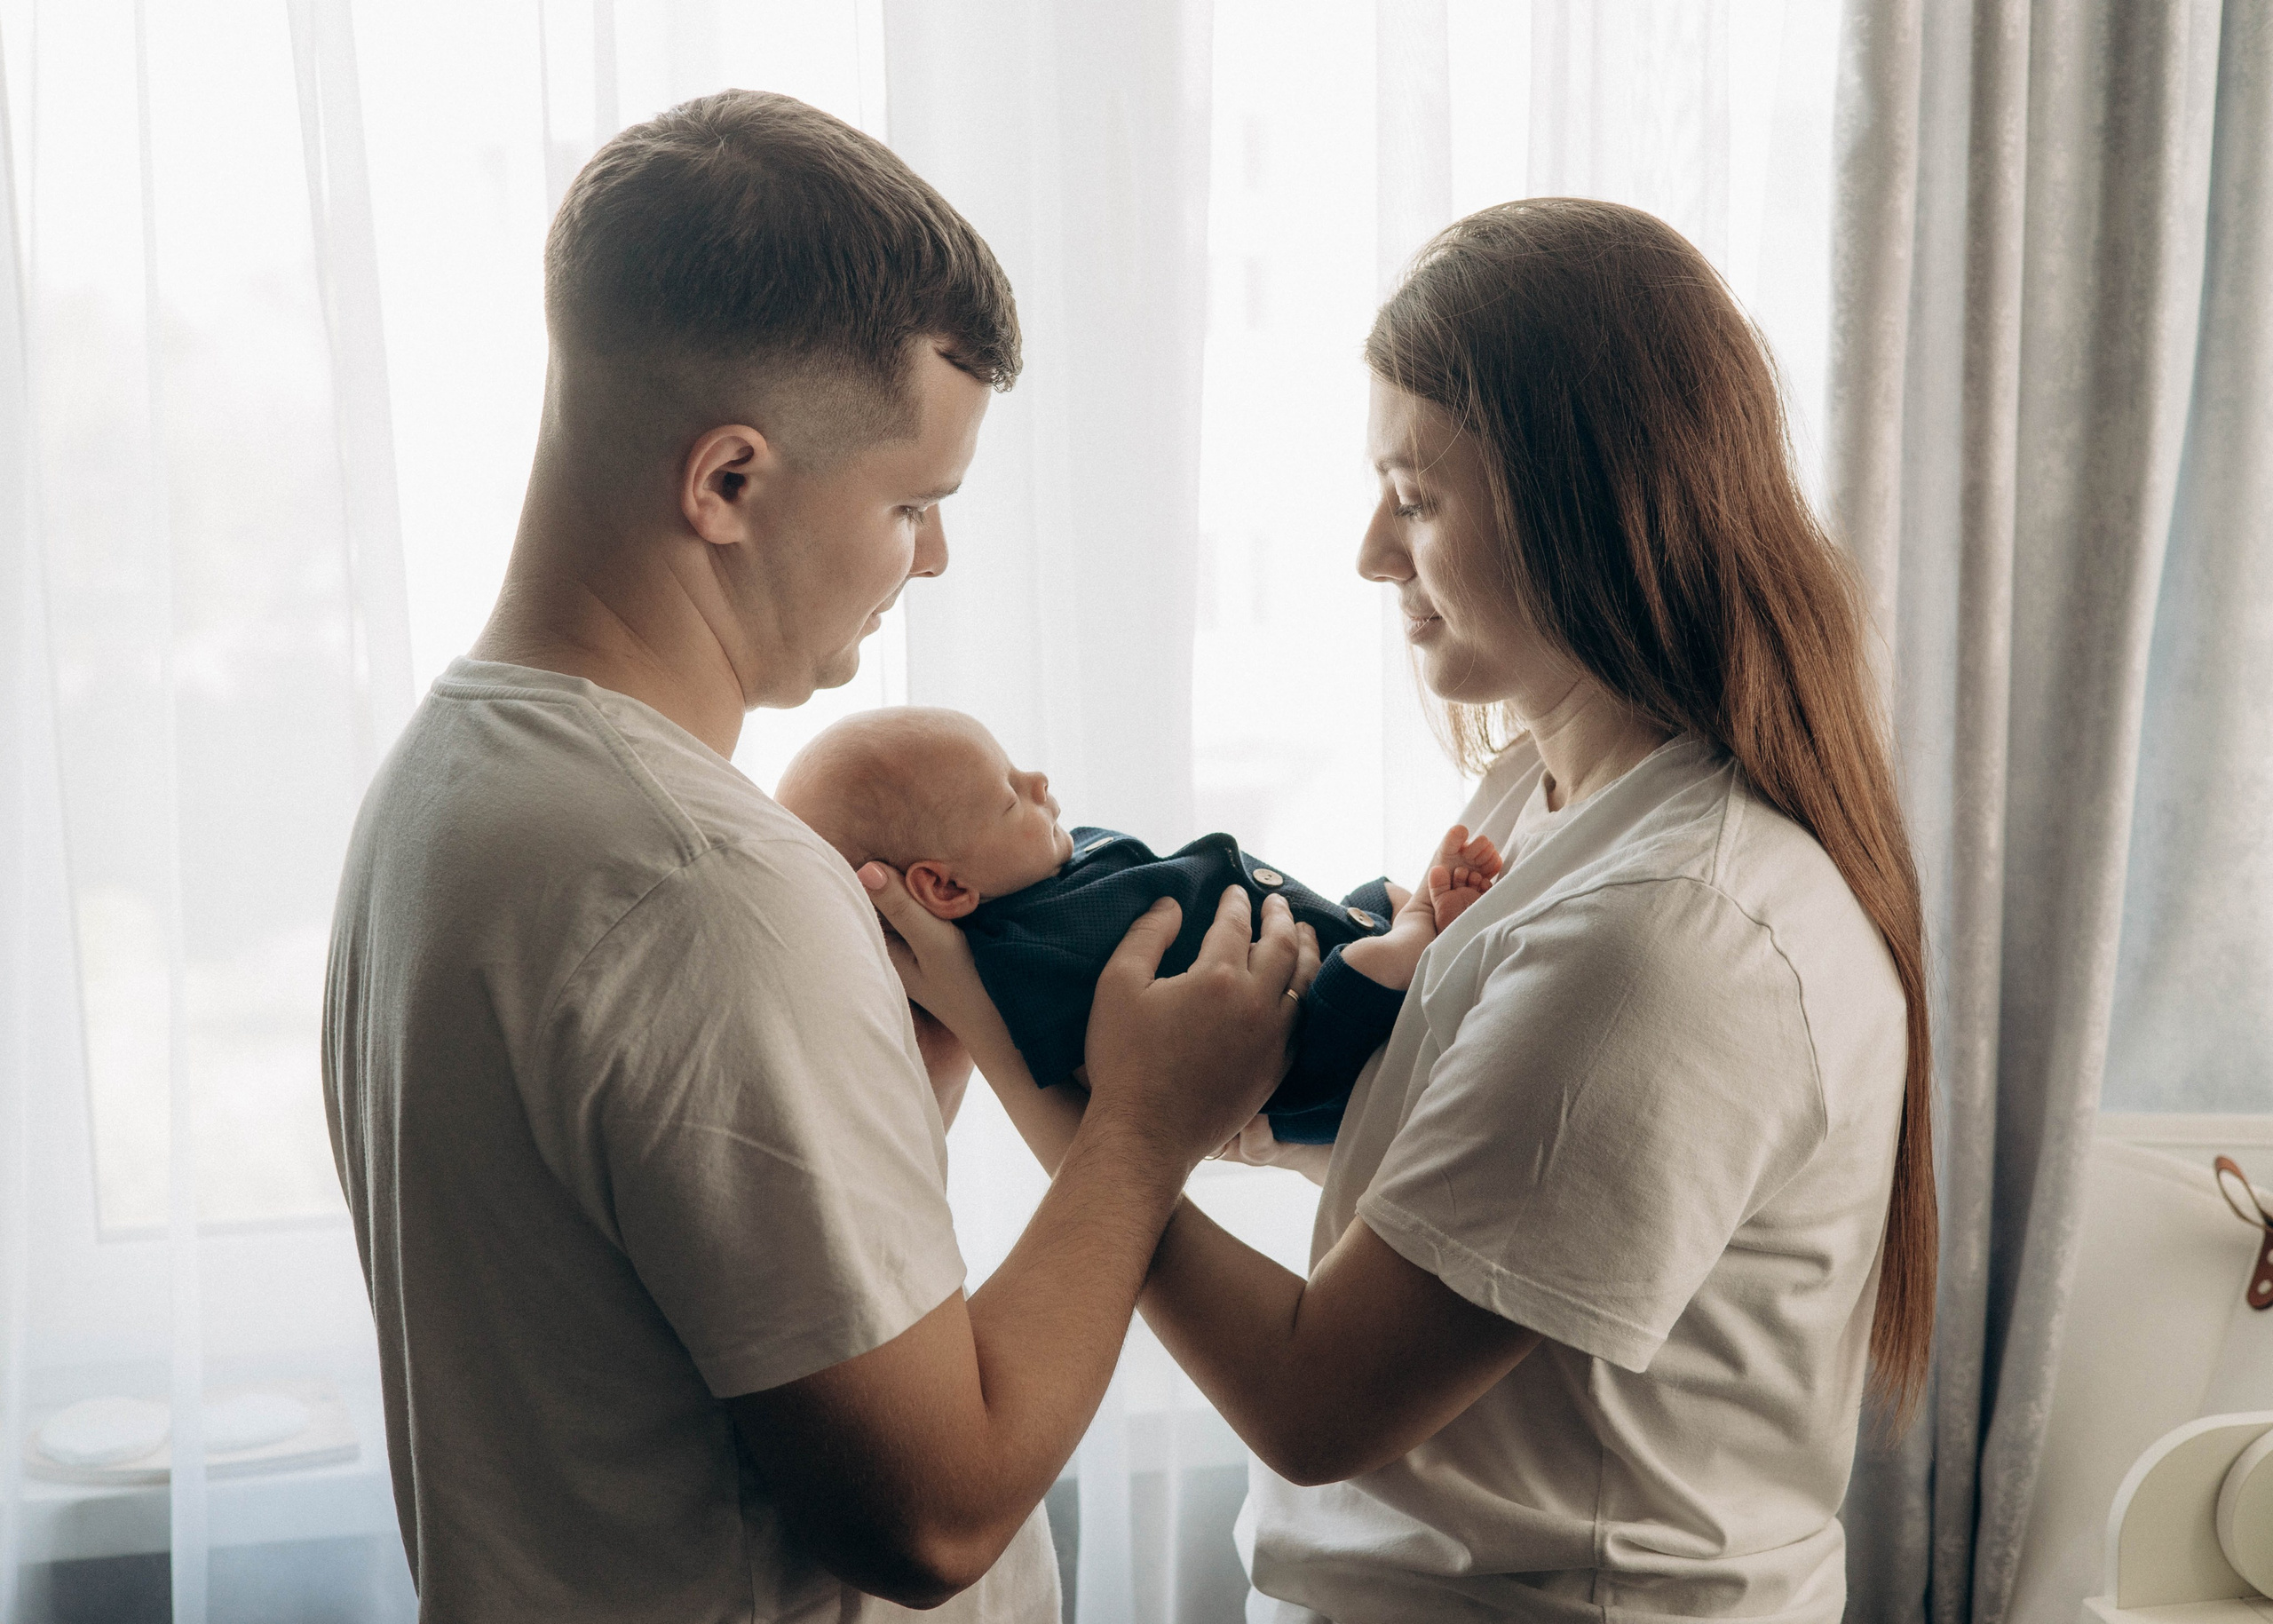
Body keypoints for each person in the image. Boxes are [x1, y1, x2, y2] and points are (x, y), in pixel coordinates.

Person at [869, 197, 1936, 1620]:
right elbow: (1458, 1182)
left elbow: (1320, 1406)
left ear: (1588, 503)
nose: (1374, 551)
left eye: (1417, 497)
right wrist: (1230, 1080)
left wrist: (1093, 1113)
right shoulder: (1538, 805)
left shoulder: (1671, 938)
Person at [322, 91, 1305, 1623]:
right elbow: (931, 1509)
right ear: (727, 482)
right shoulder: (698, 883)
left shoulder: (447, 786)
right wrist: (1143, 1128)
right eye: (913, 502)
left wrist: (920, 1032)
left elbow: (698, 1280)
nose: (933, 557)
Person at [774, 705, 1503, 1142]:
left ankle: (1407, 920)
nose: (1039, 784)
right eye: (1008, 799)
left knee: (1372, 896)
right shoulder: (1017, 959)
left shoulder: (1048, 867)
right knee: (1367, 967)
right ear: (943, 886)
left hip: (1309, 931)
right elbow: (1089, 1073)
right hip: (1303, 1047)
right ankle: (1416, 934)